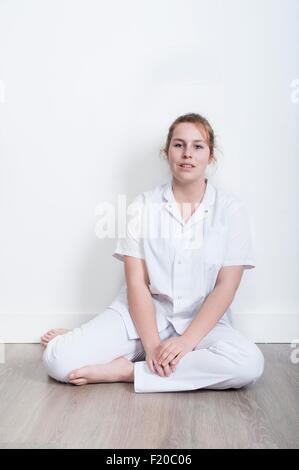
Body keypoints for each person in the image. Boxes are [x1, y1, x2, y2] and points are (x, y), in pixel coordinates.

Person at [41, 112, 264, 393]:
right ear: (167, 151)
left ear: (211, 156)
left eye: (198, 146)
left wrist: (185, 343)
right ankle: (79, 341)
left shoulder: (231, 210)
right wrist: (153, 347)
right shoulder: (142, 206)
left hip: (202, 322)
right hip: (144, 317)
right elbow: (136, 283)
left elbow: (226, 287)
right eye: (178, 145)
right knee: (59, 361)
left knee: (249, 364)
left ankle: (131, 371)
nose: (187, 154)